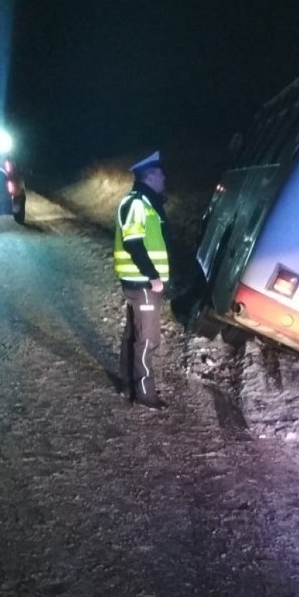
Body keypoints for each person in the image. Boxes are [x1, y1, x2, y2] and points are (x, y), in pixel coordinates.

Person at [113, 150, 171, 409]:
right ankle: (145, 394)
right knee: (147, 339)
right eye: (160, 173)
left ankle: (127, 383)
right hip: (144, 283)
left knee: (133, 335)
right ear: (149, 176)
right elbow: (134, 243)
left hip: (137, 282)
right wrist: (153, 276)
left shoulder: (143, 203)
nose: (164, 177)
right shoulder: (137, 204)